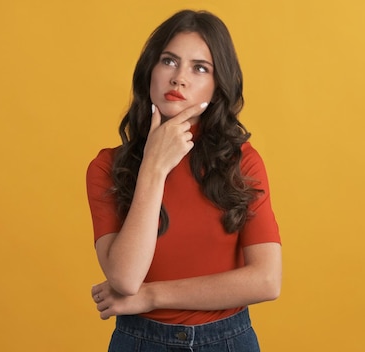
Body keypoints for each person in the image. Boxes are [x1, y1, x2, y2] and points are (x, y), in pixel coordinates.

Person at [86, 9, 281, 352]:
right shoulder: (107, 167)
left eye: (199, 68)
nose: (179, 79)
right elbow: (126, 278)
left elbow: (266, 281)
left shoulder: (241, 162)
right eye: (169, 61)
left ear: (216, 85)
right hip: (139, 342)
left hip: (228, 341)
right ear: (150, 71)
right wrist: (154, 167)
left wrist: (152, 295)